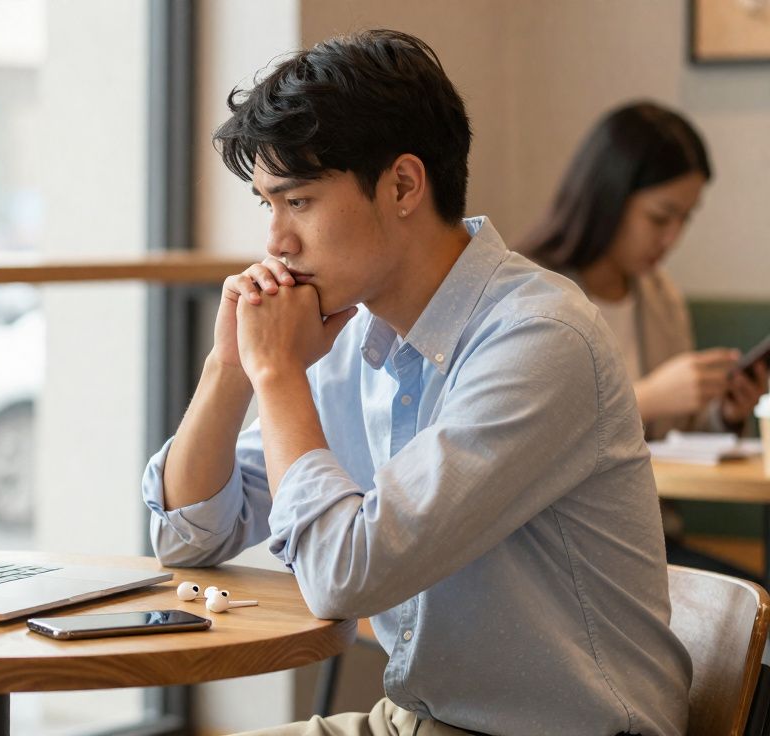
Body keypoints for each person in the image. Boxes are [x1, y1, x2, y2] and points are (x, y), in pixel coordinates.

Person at [141, 30, 690, 736]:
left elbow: (345, 577)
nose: (274, 241)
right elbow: (188, 540)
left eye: (298, 201)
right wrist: (230, 369)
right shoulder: (351, 338)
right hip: (411, 722)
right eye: (265, 205)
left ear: (402, 185)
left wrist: (277, 374)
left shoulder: (540, 338)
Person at [521, 101, 767, 441]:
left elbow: (679, 439)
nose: (672, 238)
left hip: (658, 495)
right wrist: (647, 397)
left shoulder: (662, 300)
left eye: (685, 218)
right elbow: (525, 435)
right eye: (660, 217)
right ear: (609, 197)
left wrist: (724, 415)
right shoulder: (527, 293)